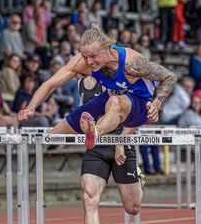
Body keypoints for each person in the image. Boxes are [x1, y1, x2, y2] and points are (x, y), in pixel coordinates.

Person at [18, 24, 177, 149]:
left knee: (115, 101)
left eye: (93, 56)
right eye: (85, 57)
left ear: (107, 48)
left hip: (140, 105)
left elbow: (170, 76)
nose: (89, 62)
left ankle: (94, 133)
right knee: (55, 133)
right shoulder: (82, 61)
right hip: (110, 98)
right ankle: (89, 132)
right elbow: (51, 84)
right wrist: (31, 107)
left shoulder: (132, 64)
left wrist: (156, 104)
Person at [78, 75, 143, 224]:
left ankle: (138, 175)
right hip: (96, 147)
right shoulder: (82, 83)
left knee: (133, 207)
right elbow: (84, 115)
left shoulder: (123, 78)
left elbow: (137, 115)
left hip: (123, 143)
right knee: (89, 198)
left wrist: (120, 142)